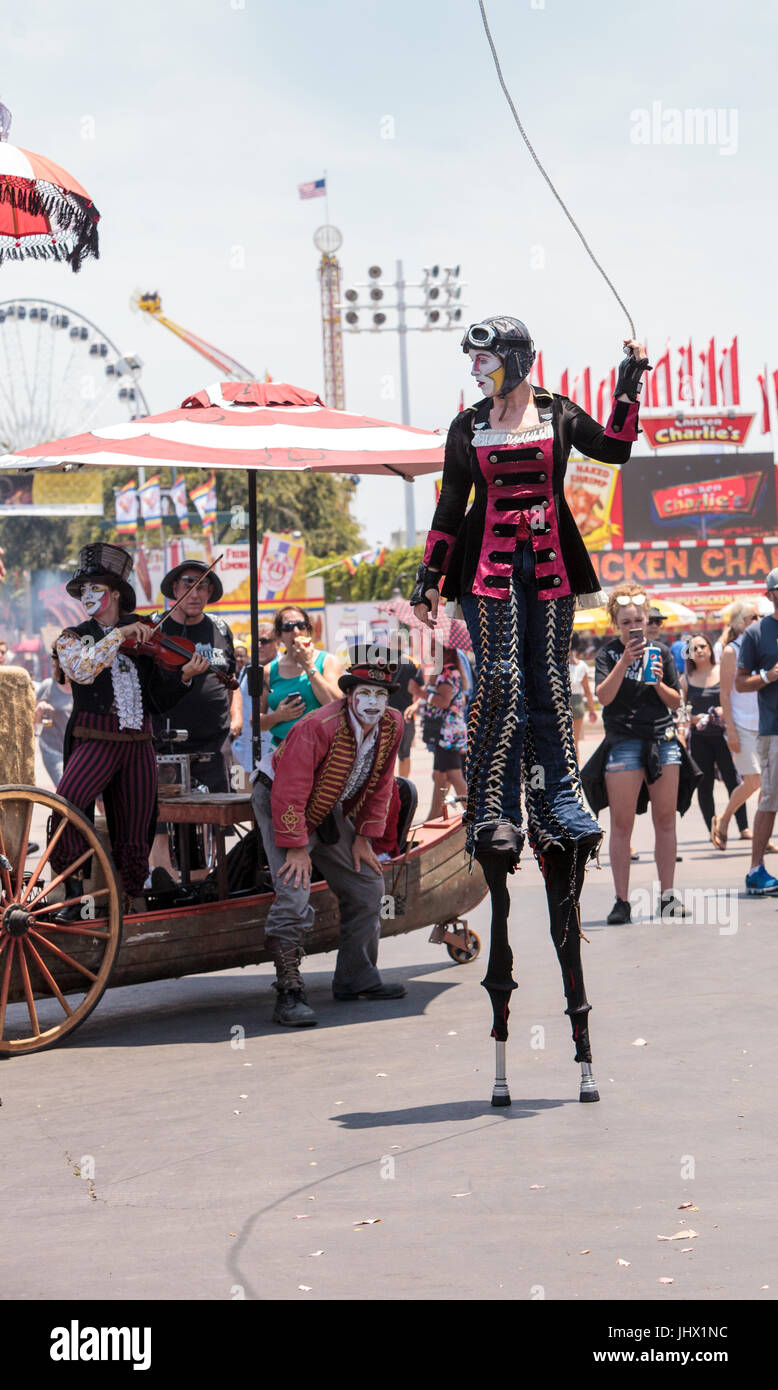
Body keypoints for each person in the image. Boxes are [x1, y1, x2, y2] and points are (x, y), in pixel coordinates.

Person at [411, 316, 651, 1097]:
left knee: (548, 685)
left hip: (547, 564)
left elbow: (614, 451)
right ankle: (493, 803)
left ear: (516, 360)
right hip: (485, 570)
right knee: (501, 683)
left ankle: (559, 802)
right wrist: (428, 576)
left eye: (486, 359)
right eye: (474, 361)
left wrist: (629, 381)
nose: (478, 371)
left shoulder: (556, 409)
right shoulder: (466, 425)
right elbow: (451, 503)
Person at [251, 646, 405, 1026]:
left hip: (326, 804)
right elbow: (289, 790)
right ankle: (289, 993)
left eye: (380, 695)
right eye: (364, 694)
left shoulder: (393, 725)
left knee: (368, 885)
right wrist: (297, 848)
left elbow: (382, 782)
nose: (372, 702)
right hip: (279, 800)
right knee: (293, 891)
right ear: (350, 696)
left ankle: (356, 977)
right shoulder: (315, 726)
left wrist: (364, 837)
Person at [50, 544, 208, 909]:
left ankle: (132, 900)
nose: (88, 596)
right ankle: (73, 898)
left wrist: (184, 677)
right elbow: (82, 671)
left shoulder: (145, 637)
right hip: (95, 739)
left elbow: (156, 700)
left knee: (137, 826)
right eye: (83, 590)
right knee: (69, 804)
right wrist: (119, 636)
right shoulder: (74, 636)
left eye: (96, 588)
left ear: (116, 593)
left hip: (139, 743)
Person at [593, 584, 683, 923]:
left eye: (638, 620)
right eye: (626, 621)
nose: (633, 626)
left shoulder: (661, 651)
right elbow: (603, 697)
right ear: (616, 624)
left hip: (663, 739)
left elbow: (676, 701)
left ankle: (668, 897)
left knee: (665, 820)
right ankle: (621, 900)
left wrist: (659, 683)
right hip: (623, 741)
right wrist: (624, 662)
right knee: (621, 824)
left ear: (647, 620)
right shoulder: (608, 654)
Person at [681, 632, 748, 846]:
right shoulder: (686, 679)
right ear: (689, 654)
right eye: (694, 648)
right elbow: (680, 713)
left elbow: (736, 698)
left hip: (725, 736)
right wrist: (695, 718)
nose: (699, 650)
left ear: (710, 648)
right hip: (700, 739)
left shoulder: (722, 671)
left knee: (734, 781)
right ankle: (714, 828)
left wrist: (723, 712)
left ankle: (743, 826)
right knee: (705, 785)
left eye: (703, 646)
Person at [735, 569, 778, 895]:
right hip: (774, 730)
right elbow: (740, 682)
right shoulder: (756, 634)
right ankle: (755, 870)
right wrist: (768, 676)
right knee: (770, 800)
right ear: (770, 595)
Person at [715, 601, 769, 850]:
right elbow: (725, 694)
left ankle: (762, 835)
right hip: (742, 724)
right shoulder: (731, 651)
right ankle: (724, 820)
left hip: (767, 722)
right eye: (752, 617)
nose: (758, 620)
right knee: (754, 780)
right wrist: (731, 729)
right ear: (739, 623)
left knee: (768, 783)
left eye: (760, 616)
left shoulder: (763, 647)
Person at [259, 605, 342, 748]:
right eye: (288, 627)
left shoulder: (328, 661)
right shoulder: (268, 671)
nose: (296, 632)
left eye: (301, 625)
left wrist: (309, 665)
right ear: (279, 636)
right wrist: (277, 716)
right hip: (281, 751)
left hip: (320, 750)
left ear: (308, 630)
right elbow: (256, 722)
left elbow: (336, 705)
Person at [425, 645, 468, 819]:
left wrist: (421, 693)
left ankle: (474, 813)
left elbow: (444, 702)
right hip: (448, 732)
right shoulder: (448, 672)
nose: (431, 651)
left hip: (447, 734)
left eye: (435, 648)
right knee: (439, 775)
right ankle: (434, 815)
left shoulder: (448, 673)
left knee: (454, 775)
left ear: (445, 652)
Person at [232, 625, 279, 779]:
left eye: (264, 641)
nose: (259, 645)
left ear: (277, 642)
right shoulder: (247, 669)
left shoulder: (285, 670)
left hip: (275, 752)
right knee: (243, 800)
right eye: (255, 641)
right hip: (245, 752)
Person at [388, 653, 425, 778]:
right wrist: (415, 705)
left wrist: (415, 705)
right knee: (404, 754)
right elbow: (423, 689)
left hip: (390, 716)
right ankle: (402, 785)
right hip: (405, 716)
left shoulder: (383, 662)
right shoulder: (412, 662)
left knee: (389, 756)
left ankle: (395, 787)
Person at [34, 670, 73, 787]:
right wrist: (41, 709)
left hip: (75, 750)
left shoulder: (81, 687)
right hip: (52, 749)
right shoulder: (48, 685)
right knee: (64, 787)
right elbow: (34, 721)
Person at [568, 633, 597, 761]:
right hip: (577, 702)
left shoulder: (555, 663)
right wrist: (592, 709)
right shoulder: (581, 666)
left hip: (564, 701)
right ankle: (575, 774)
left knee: (563, 742)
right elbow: (587, 691)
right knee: (574, 743)